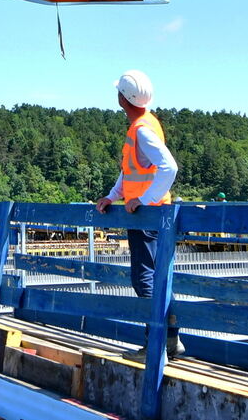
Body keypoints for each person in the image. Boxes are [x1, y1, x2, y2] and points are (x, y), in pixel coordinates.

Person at [95, 69, 184, 359]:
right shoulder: (146, 125)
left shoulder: (142, 130)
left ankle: (156, 346)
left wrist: (143, 201)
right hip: (155, 214)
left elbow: (169, 168)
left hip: (148, 216)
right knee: (159, 276)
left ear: (123, 98)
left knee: (145, 278)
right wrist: (113, 195)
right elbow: (131, 171)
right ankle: (171, 341)